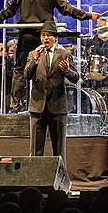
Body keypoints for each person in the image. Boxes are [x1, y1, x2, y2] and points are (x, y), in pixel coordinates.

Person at [0, 0, 100, 112]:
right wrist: (89, 15)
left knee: (20, 69)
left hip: (26, 35)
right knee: (51, 67)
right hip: (46, 35)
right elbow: (67, 9)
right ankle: (49, 104)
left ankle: (15, 106)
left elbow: (9, 11)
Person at [24, 21, 79, 163]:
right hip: (38, 107)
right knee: (35, 150)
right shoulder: (33, 54)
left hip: (57, 107)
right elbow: (26, 75)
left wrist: (67, 70)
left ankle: (60, 182)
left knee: (59, 150)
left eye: (48, 35)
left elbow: (75, 78)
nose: (45, 38)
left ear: (55, 38)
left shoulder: (64, 54)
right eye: (43, 35)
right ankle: (35, 180)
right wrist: (34, 60)